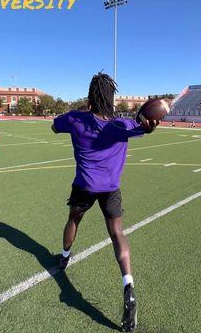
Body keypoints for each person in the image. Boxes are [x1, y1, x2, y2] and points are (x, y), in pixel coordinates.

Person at [51, 73, 157, 332]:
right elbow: (146, 125)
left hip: (83, 186)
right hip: (111, 189)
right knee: (117, 233)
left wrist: (81, 113)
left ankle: (64, 257)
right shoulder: (123, 126)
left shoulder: (75, 119)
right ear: (112, 98)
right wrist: (149, 124)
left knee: (73, 220)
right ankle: (128, 285)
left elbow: (54, 126)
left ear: (90, 97)